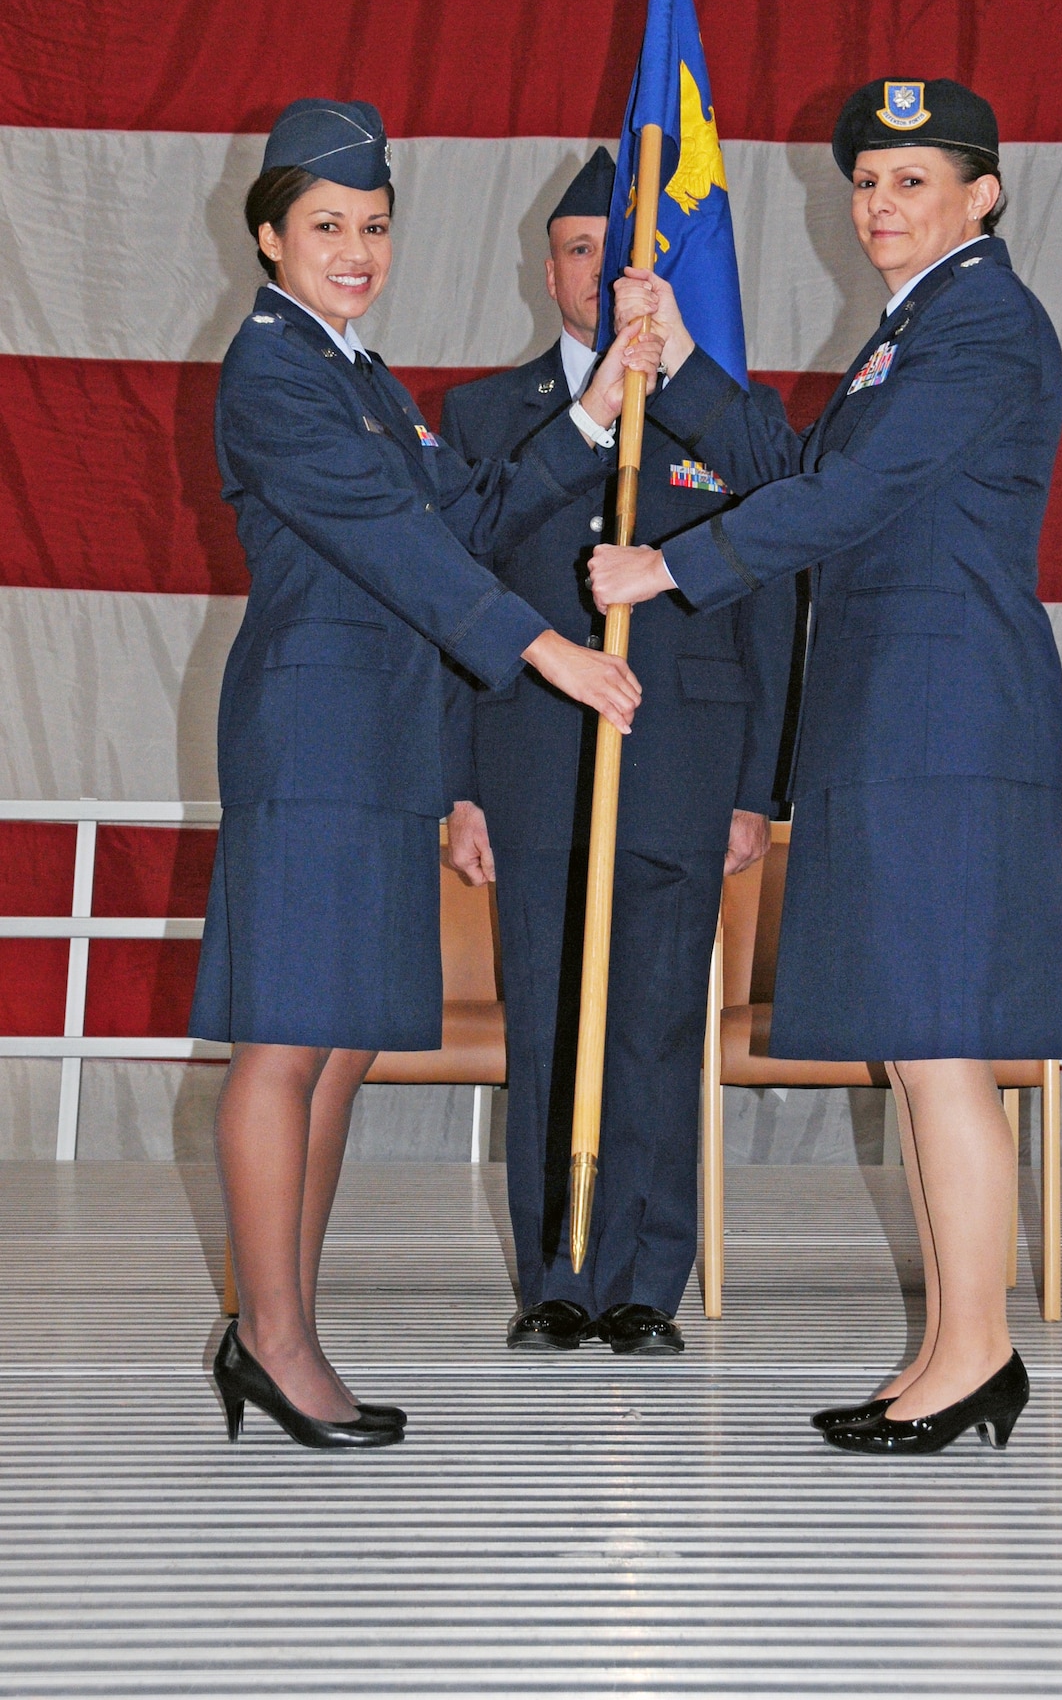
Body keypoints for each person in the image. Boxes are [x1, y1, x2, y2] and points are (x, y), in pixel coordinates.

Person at [588, 79, 1062, 1453]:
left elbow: (848, 500)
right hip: (894, 716)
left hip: (944, 720)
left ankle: (975, 1355)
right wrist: (678, 364)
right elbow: (807, 465)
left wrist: (665, 566)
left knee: (941, 1051)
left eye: (912, 182)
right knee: (918, 1054)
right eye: (867, 183)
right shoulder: (913, 330)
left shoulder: (980, 323)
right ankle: (950, 1347)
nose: (878, 206)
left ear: (982, 193)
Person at [191, 101, 660, 1449]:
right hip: (313, 740)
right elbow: (400, 553)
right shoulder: (274, 370)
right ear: (270, 236)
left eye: (375, 227)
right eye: (328, 227)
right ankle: (272, 1340)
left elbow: (463, 513)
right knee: (285, 1045)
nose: (356, 250)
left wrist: (589, 413)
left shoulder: (358, 373)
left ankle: (280, 1322)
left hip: (378, 740)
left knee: (334, 1050)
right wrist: (551, 654)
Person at [440, 149, 797, 1353]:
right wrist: (460, 785)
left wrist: (757, 787)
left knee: (653, 1016)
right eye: (579, 248)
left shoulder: (725, 410)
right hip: (532, 755)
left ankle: (645, 1275)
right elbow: (454, 595)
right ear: (547, 271)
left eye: (620, 249)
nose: (601, 270)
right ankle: (556, 1272)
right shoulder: (487, 415)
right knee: (545, 1013)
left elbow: (770, 591)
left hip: (685, 753)